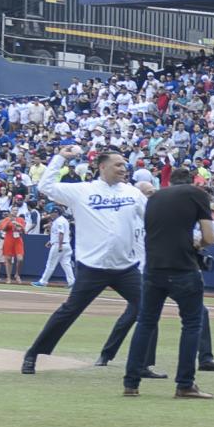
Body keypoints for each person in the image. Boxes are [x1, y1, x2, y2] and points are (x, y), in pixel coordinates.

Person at [21, 148, 152, 376]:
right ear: (102, 167)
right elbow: (46, 187)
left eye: (124, 165)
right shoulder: (82, 190)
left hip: (125, 268)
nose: (123, 168)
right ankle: (33, 354)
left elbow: (154, 219)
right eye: (118, 165)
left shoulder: (133, 193)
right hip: (93, 267)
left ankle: (141, 364)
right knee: (69, 311)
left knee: (148, 309)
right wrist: (60, 157)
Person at [123, 165, 214, 399]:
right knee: (192, 325)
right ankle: (185, 384)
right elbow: (208, 236)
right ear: (192, 181)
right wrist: (197, 245)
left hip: (153, 269)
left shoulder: (154, 197)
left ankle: (131, 383)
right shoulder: (198, 195)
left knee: (145, 323)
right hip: (183, 268)